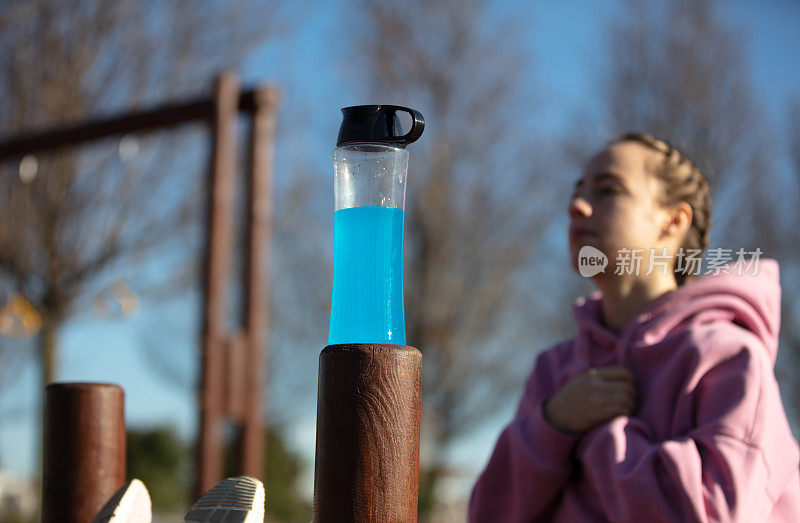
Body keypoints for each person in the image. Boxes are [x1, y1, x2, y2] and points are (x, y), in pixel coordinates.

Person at [468, 133, 800, 522]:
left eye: (608, 190)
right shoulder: (554, 370)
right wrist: (553, 424)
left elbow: (716, 514)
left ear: (673, 221)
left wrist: (599, 431)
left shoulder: (728, 356)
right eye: (578, 191)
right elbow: (489, 515)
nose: (576, 206)